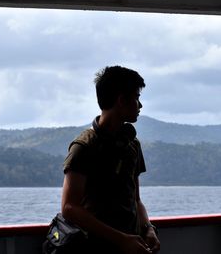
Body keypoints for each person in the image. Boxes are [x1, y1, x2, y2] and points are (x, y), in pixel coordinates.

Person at [61, 66, 160, 254]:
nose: (140, 105)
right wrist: (122, 240)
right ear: (122, 100)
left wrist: (148, 229)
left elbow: (136, 200)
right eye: (137, 98)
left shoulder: (132, 145)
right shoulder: (83, 147)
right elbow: (69, 207)